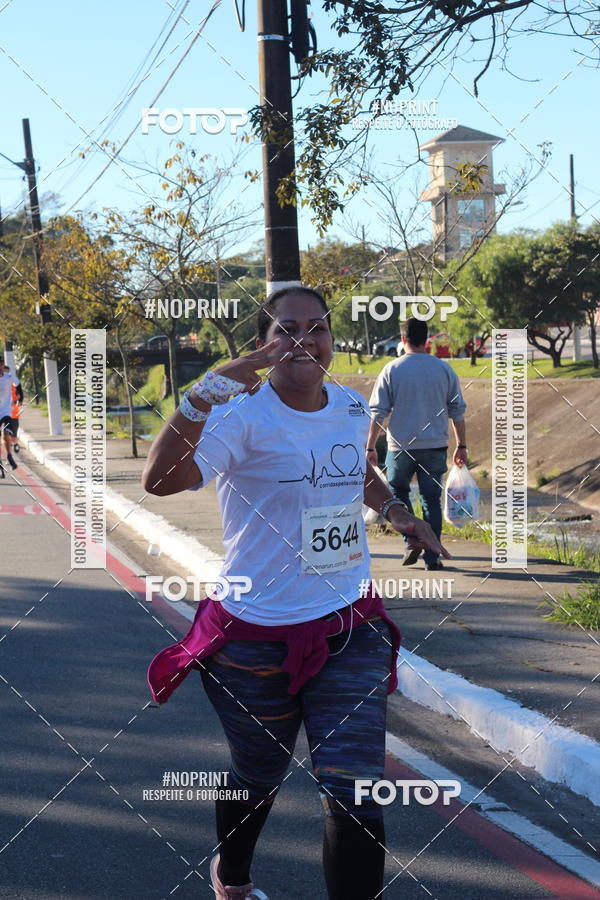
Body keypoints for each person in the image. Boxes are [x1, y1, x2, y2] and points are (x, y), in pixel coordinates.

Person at [143, 287, 448, 900]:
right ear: (265, 343)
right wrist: (201, 395)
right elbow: (160, 480)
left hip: (347, 627)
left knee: (355, 786)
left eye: (317, 327)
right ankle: (232, 877)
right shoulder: (238, 416)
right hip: (254, 638)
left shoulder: (349, 405)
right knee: (258, 775)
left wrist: (394, 509)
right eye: (287, 329)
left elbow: (352, 467)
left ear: (333, 337)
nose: (304, 340)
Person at [366, 318, 467, 571]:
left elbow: (378, 412)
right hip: (435, 446)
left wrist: (369, 447)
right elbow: (457, 411)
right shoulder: (444, 370)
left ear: (403, 340)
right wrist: (462, 445)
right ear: (427, 339)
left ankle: (411, 539)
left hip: (400, 447)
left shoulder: (392, 369)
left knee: (397, 494)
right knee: (431, 499)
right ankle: (432, 557)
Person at [0, 362, 22, 477]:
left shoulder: (9, 379)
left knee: (8, 434)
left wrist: (20, 398)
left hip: (8, 413)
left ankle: (10, 453)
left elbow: (18, 386)